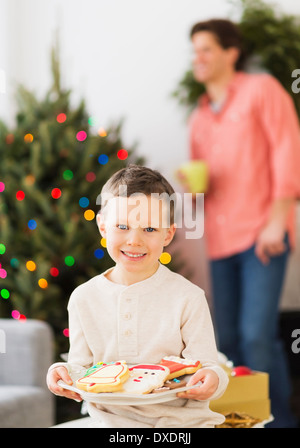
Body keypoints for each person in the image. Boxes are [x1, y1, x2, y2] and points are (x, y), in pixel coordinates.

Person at [47, 164, 229, 428]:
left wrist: (212, 378)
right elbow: (80, 368)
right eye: (122, 226)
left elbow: (209, 367)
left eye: (150, 229)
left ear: (168, 234)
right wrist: (60, 373)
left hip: (181, 424)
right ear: (103, 227)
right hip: (110, 423)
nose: (134, 240)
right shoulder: (82, 298)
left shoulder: (188, 297)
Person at [187, 19, 300, 427]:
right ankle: (242, 421)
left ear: (231, 52)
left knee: (257, 336)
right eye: (194, 51)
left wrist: (276, 222)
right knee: (228, 342)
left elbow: (288, 153)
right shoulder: (199, 116)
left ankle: (282, 422)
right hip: (219, 241)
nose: (197, 58)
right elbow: (203, 187)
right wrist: (193, 185)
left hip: (261, 236)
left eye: (206, 49)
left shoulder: (262, 90)